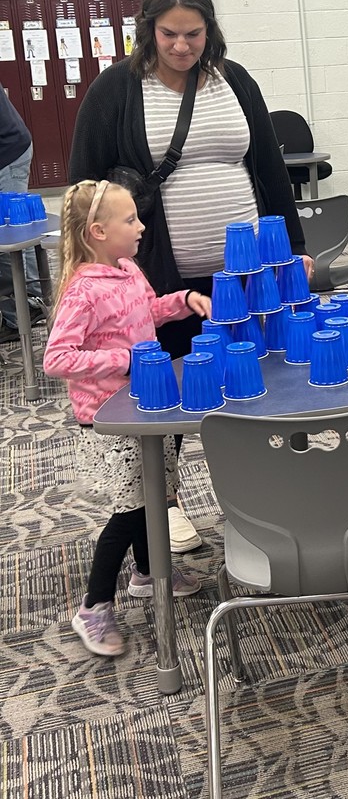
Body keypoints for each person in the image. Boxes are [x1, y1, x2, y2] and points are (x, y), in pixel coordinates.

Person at [69, 0, 309, 553]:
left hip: (245, 272)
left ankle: (267, 490)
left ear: (211, 31)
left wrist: (294, 248)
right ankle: (167, 500)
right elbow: (87, 185)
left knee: (258, 377)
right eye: (170, 34)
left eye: (194, 35)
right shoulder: (115, 90)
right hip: (158, 276)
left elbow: (270, 173)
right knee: (168, 384)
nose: (182, 46)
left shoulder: (235, 82)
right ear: (148, 30)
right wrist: (89, 269)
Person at [43, 180, 212, 657]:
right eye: (130, 220)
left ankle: (147, 571)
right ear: (98, 231)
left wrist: (182, 303)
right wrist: (123, 360)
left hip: (144, 404)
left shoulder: (127, 269)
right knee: (131, 508)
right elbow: (57, 359)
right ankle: (93, 606)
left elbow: (147, 312)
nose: (141, 226)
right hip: (108, 419)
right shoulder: (83, 292)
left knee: (155, 489)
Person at [0, 90, 44, 336]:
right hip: (11, 146)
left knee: (11, 230)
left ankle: (23, 310)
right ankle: (27, 304)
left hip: (8, 151)